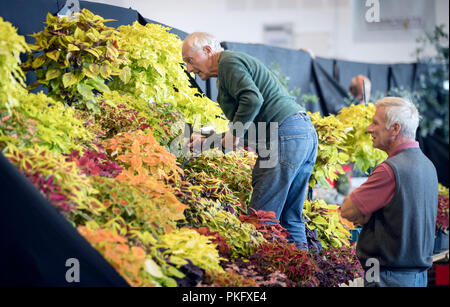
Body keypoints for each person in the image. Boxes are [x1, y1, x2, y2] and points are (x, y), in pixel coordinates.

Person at [182, 32, 318, 250]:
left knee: (261, 219)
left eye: (190, 60)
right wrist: (208, 141)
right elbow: (244, 132)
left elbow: (252, 100)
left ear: (208, 50)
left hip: (282, 134)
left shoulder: (228, 61)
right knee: (290, 219)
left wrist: (232, 135)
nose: (189, 69)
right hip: (301, 133)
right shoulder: (232, 69)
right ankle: (304, 277)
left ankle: (267, 279)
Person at [340, 97, 438, 287]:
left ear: (395, 129)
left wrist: (366, 214)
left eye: (375, 123)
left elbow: (347, 210)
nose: (369, 129)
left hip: (385, 276)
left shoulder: (389, 170)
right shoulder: (428, 166)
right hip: (417, 277)